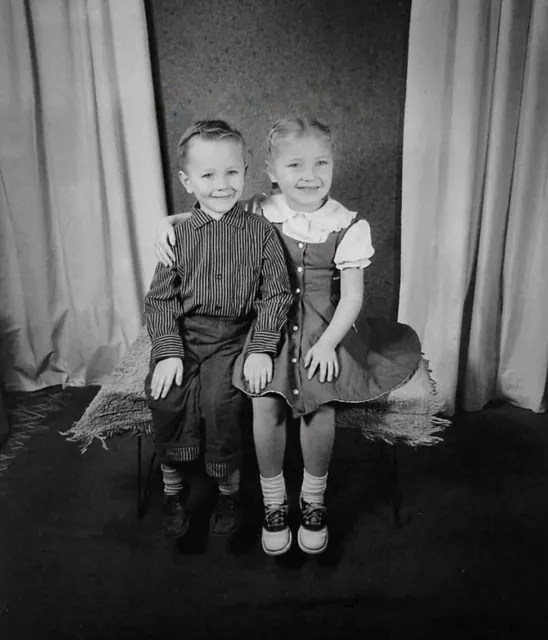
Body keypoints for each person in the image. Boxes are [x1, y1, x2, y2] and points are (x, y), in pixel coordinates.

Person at [154, 117, 422, 556]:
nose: (309, 175)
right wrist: (166, 221)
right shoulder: (263, 208)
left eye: (321, 163)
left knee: (321, 400)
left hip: (323, 326)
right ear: (273, 173)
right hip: (269, 320)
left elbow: (352, 298)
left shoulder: (349, 224)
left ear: (334, 165)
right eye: (295, 165)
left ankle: (312, 501)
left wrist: (328, 343)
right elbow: (210, 211)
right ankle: (273, 503)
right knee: (265, 398)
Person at [144, 120, 292, 541]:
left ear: (247, 171)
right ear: (187, 181)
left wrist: (262, 347)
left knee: (221, 400)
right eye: (208, 175)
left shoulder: (260, 232)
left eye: (231, 172)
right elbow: (160, 299)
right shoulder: (178, 235)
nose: (222, 185)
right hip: (186, 335)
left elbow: (277, 294)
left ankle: (228, 492)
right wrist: (168, 350)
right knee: (167, 394)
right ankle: (173, 490)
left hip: (234, 335)